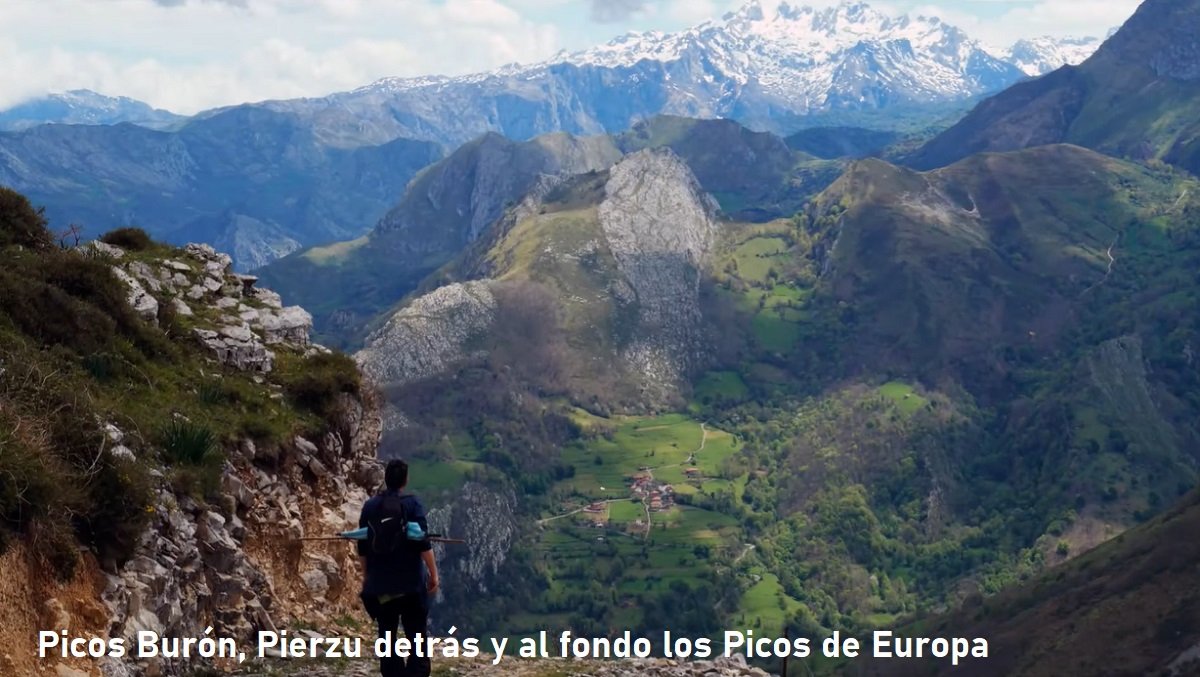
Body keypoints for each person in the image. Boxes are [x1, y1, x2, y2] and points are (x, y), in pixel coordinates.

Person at [358, 459, 439, 677]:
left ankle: (392, 672)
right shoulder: (412, 505)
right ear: (405, 480)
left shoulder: (370, 507)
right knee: (417, 635)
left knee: (387, 634)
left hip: (382, 586)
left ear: (385, 479)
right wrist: (433, 574)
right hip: (411, 585)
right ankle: (416, 673)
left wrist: (368, 577)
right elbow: (423, 543)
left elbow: (363, 547)